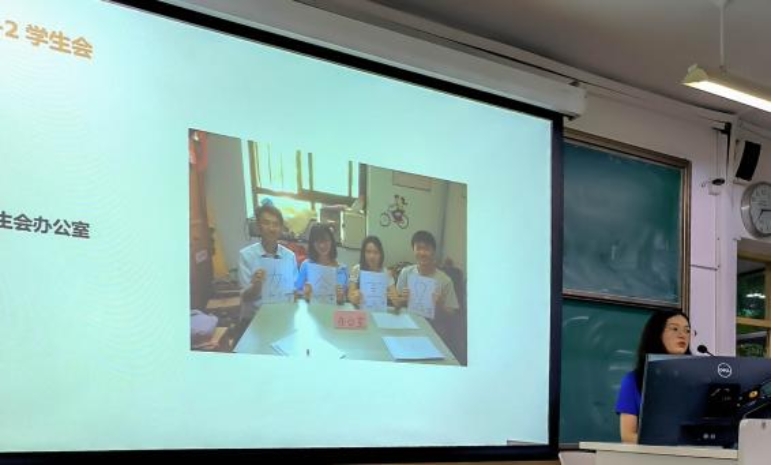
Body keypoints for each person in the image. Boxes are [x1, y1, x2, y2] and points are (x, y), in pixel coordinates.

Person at [616, 310, 692, 444]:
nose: (682, 335)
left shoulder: (695, 379)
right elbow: (627, 436)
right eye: (675, 329)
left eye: (687, 331)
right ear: (657, 334)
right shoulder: (634, 380)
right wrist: (667, 443)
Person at [238, 203, 298, 318]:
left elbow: (294, 290)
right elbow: (245, 297)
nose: (271, 228)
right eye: (266, 223)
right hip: (255, 318)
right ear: (258, 226)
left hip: (283, 315)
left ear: (281, 229)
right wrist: (256, 286)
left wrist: (298, 293)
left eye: (276, 224)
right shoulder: (246, 255)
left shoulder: (289, 256)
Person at [392, 230, 459, 315]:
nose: (422, 253)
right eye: (418, 248)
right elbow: (396, 305)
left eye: (427, 249)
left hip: (433, 322)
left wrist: (440, 305)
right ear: (413, 250)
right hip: (410, 319)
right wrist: (403, 299)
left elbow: (453, 313)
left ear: (433, 251)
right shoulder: (406, 273)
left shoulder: (445, 281)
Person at [295, 223, 348, 304]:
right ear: (312, 243)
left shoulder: (342, 269)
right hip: (312, 310)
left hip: (334, 311)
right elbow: (296, 292)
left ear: (331, 241)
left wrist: (341, 298)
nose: (322, 245)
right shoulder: (306, 266)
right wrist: (304, 294)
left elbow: (347, 298)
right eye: (317, 241)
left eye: (326, 240)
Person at [348, 235, 395, 308]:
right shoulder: (356, 269)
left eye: (376, 252)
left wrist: (394, 299)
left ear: (380, 254)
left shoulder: (386, 273)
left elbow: (396, 299)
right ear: (363, 253)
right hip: (360, 310)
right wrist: (354, 298)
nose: (372, 256)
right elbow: (350, 295)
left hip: (379, 311)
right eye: (368, 252)